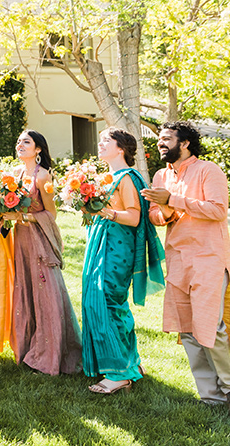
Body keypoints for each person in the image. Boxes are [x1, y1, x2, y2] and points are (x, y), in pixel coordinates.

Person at [142, 121, 230, 419]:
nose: (160, 144)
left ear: (186, 143)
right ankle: (211, 396)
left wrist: (173, 200)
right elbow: (157, 216)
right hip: (177, 258)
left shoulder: (209, 170)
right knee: (189, 330)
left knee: (211, 328)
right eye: (159, 140)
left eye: (167, 139)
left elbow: (218, 210)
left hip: (208, 258)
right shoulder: (161, 175)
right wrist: (163, 210)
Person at [82, 128, 165, 393]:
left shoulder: (127, 177)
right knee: (108, 302)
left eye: (106, 140)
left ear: (121, 149)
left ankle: (118, 374)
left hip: (117, 249)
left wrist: (106, 212)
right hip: (102, 244)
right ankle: (131, 363)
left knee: (108, 302)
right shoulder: (109, 177)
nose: (100, 143)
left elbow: (134, 217)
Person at [2, 130, 81, 375]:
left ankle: (51, 354)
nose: (20, 145)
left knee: (45, 292)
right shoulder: (13, 175)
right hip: (20, 240)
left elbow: (51, 214)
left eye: (26, 141)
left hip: (38, 240)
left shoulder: (43, 176)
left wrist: (21, 216)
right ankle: (28, 349)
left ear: (38, 149)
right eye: (18, 141)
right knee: (25, 289)